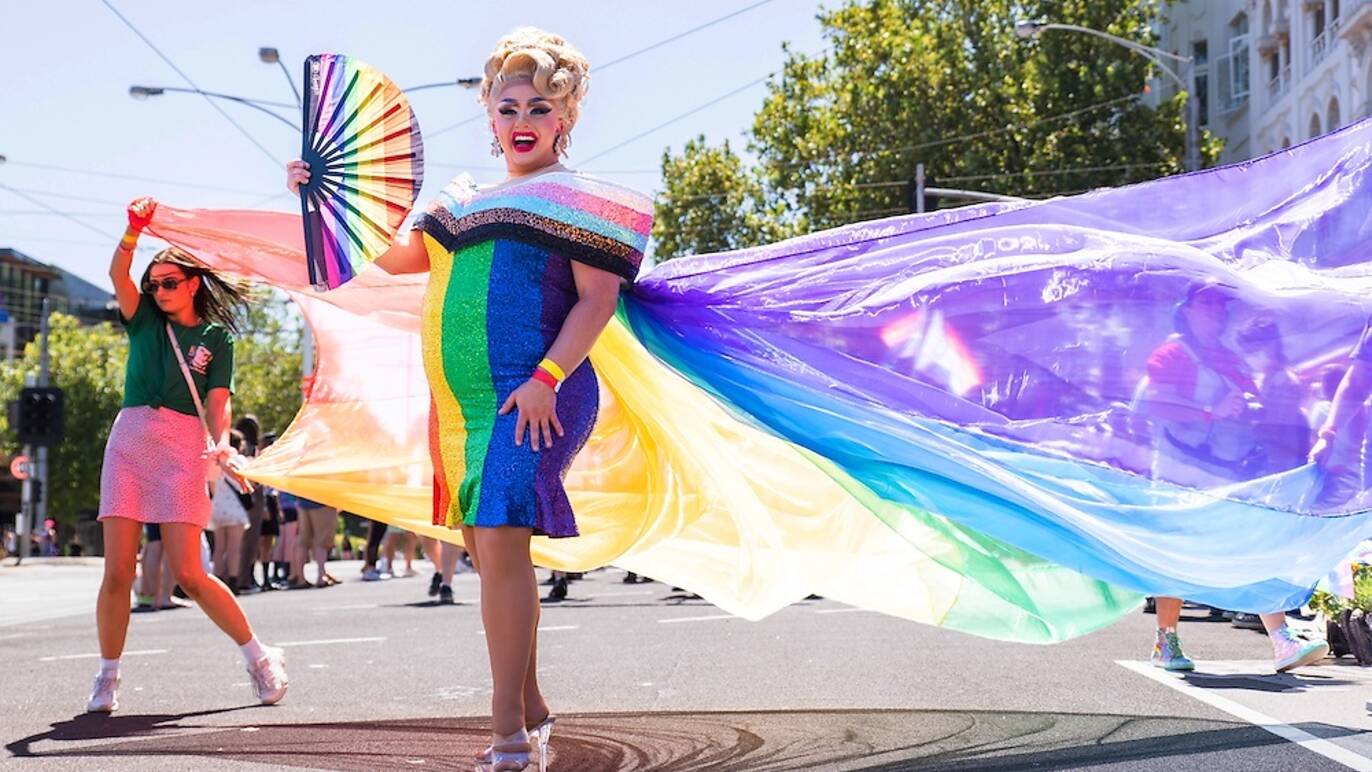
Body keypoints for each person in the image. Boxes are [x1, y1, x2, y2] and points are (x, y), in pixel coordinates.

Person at [287, 26, 650, 770]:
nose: (523, 120)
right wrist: (322, 198)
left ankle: (506, 730)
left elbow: (597, 301)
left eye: (540, 108)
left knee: (502, 540)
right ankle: (534, 701)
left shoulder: (579, 201)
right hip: (458, 408)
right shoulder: (460, 199)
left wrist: (545, 379)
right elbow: (395, 257)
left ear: (566, 118)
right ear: (488, 114)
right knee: (489, 553)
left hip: (536, 396)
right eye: (508, 105)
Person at [89, 197, 287, 713]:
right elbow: (117, 270)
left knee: (190, 574)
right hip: (130, 440)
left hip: (182, 446)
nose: (158, 291)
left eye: (168, 283)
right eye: (153, 284)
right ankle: (107, 675)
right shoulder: (144, 321)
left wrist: (220, 445)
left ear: (193, 282)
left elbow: (219, 402)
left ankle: (259, 656)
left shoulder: (216, 338)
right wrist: (132, 231)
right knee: (117, 572)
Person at [1133, 281, 1329, 673]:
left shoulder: (1227, 357)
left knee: (1250, 541)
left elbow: (1248, 400)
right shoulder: (1171, 354)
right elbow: (1154, 404)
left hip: (1227, 471)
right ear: (1187, 310)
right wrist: (1211, 410)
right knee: (1177, 554)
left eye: (1221, 307)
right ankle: (1166, 640)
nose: (1217, 313)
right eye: (1207, 305)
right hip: (1178, 472)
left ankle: (1281, 639)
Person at [209, 430, 251, 586]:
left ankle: (217, 580)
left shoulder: (213, 460)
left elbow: (211, 485)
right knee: (234, 548)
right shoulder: (237, 460)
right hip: (234, 508)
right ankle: (233, 581)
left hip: (217, 508)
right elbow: (248, 479)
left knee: (219, 548)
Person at [294, 496, 339, 588]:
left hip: (303, 500)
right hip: (323, 500)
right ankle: (321, 577)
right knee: (322, 541)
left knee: (303, 542)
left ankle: (301, 578)